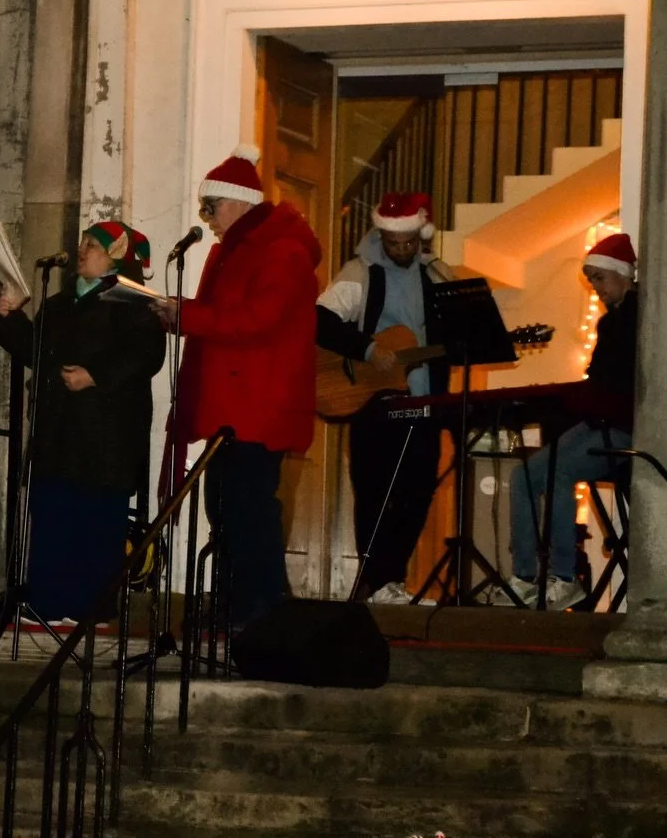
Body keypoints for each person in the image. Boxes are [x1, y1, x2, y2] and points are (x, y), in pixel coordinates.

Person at [150, 144, 322, 629]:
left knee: (249, 510)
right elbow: (226, 319)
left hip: (259, 406)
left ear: (242, 201)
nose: (207, 219)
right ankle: (233, 605)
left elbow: (258, 320)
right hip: (234, 406)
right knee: (224, 507)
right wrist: (179, 313)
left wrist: (188, 314)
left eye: (213, 207)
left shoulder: (282, 251)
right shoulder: (234, 252)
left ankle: (263, 609)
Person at [0, 221, 166, 622]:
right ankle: (47, 603)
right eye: (82, 242)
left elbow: (146, 355)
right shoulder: (59, 303)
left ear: (116, 254)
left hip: (106, 438)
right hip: (58, 432)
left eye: (92, 245)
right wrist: (9, 317)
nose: (81, 250)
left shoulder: (135, 303)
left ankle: (90, 608)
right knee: (53, 517)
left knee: (95, 521)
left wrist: (95, 375)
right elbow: (38, 354)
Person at [316, 192, 454, 605]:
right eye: (394, 244)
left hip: (425, 400)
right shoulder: (361, 272)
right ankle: (378, 582)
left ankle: (390, 580)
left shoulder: (437, 274)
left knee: (418, 492)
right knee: (376, 492)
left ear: (421, 236)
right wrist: (369, 351)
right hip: (375, 403)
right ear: (382, 236)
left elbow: (456, 331)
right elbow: (320, 321)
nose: (401, 251)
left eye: (409, 243)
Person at [496, 232, 638, 611]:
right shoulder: (613, 322)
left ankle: (564, 575)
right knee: (523, 476)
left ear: (625, 275)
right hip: (601, 422)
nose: (596, 288)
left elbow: (617, 382)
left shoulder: (637, 317)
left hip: (622, 426)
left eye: (599, 278)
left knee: (555, 472)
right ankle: (525, 576)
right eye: (591, 280)